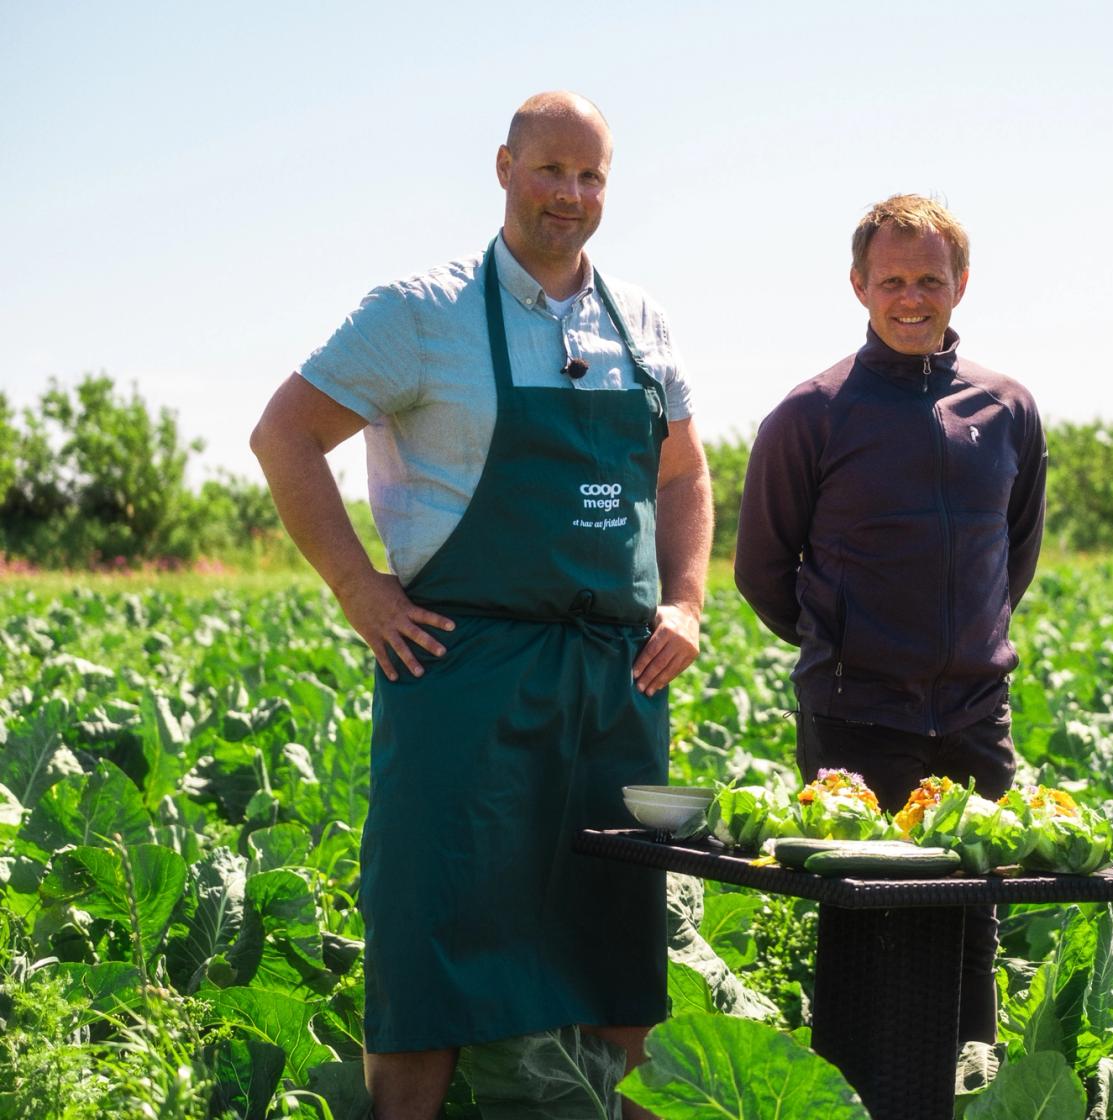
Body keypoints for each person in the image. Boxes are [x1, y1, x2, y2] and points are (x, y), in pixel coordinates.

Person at [249, 91, 711, 1120]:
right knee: (432, 941)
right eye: (552, 169)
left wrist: (683, 599)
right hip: (461, 674)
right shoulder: (420, 311)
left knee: (614, 945)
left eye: (591, 176)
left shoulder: (640, 320)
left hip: (613, 682)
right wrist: (360, 589)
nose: (572, 195)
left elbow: (681, 475)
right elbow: (283, 436)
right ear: (504, 167)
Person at [734, 193, 1047, 1045]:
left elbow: (1013, 556)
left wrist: (967, 647)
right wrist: (843, 647)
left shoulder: (1008, 409)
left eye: (931, 280)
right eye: (893, 281)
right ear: (859, 286)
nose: (913, 297)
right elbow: (763, 570)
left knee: (970, 929)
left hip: (977, 720)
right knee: (864, 929)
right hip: (856, 720)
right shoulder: (813, 413)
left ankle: (966, 1096)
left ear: (962, 284)